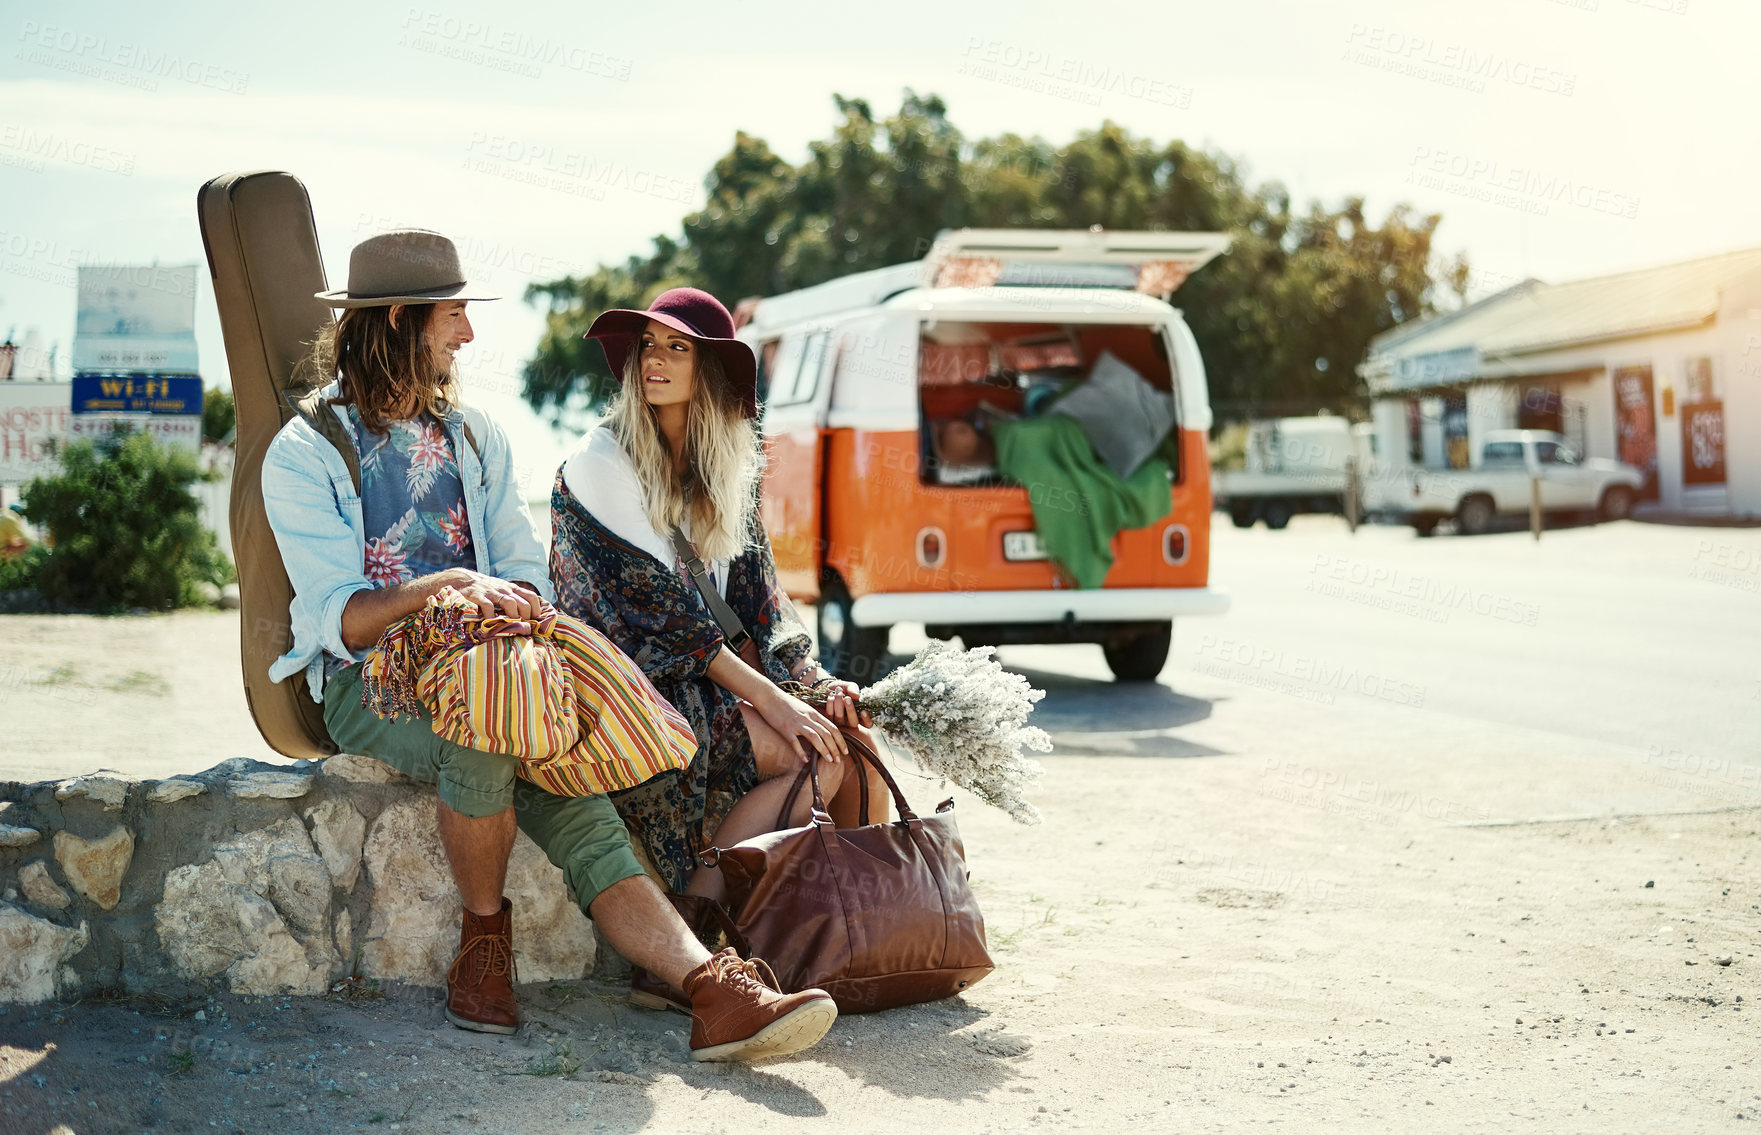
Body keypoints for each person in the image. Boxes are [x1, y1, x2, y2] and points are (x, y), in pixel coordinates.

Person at [260, 231, 836, 1061]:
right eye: (453, 315)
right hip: (370, 682)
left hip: (499, 663)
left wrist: (508, 626)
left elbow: (525, 575)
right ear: (398, 319)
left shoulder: (475, 435)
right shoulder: (306, 450)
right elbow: (339, 618)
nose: (467, 335)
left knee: (574, 802)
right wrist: (446, 588)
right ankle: (484, 943)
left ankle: (713, 991)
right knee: (488, 734)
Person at [550, 287, 891, 995]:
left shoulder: (726, 473)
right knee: (811, 756)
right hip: (635, 689)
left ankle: (860, 940)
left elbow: (764, 610)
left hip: (712, 678)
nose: (655, 359)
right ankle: (689, 941)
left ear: (711, 371)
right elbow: (667, 616)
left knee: (855, 745)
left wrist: (818, 686)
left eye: (677, 347)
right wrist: (781, 706)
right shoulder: (598, 461)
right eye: (648, 344)